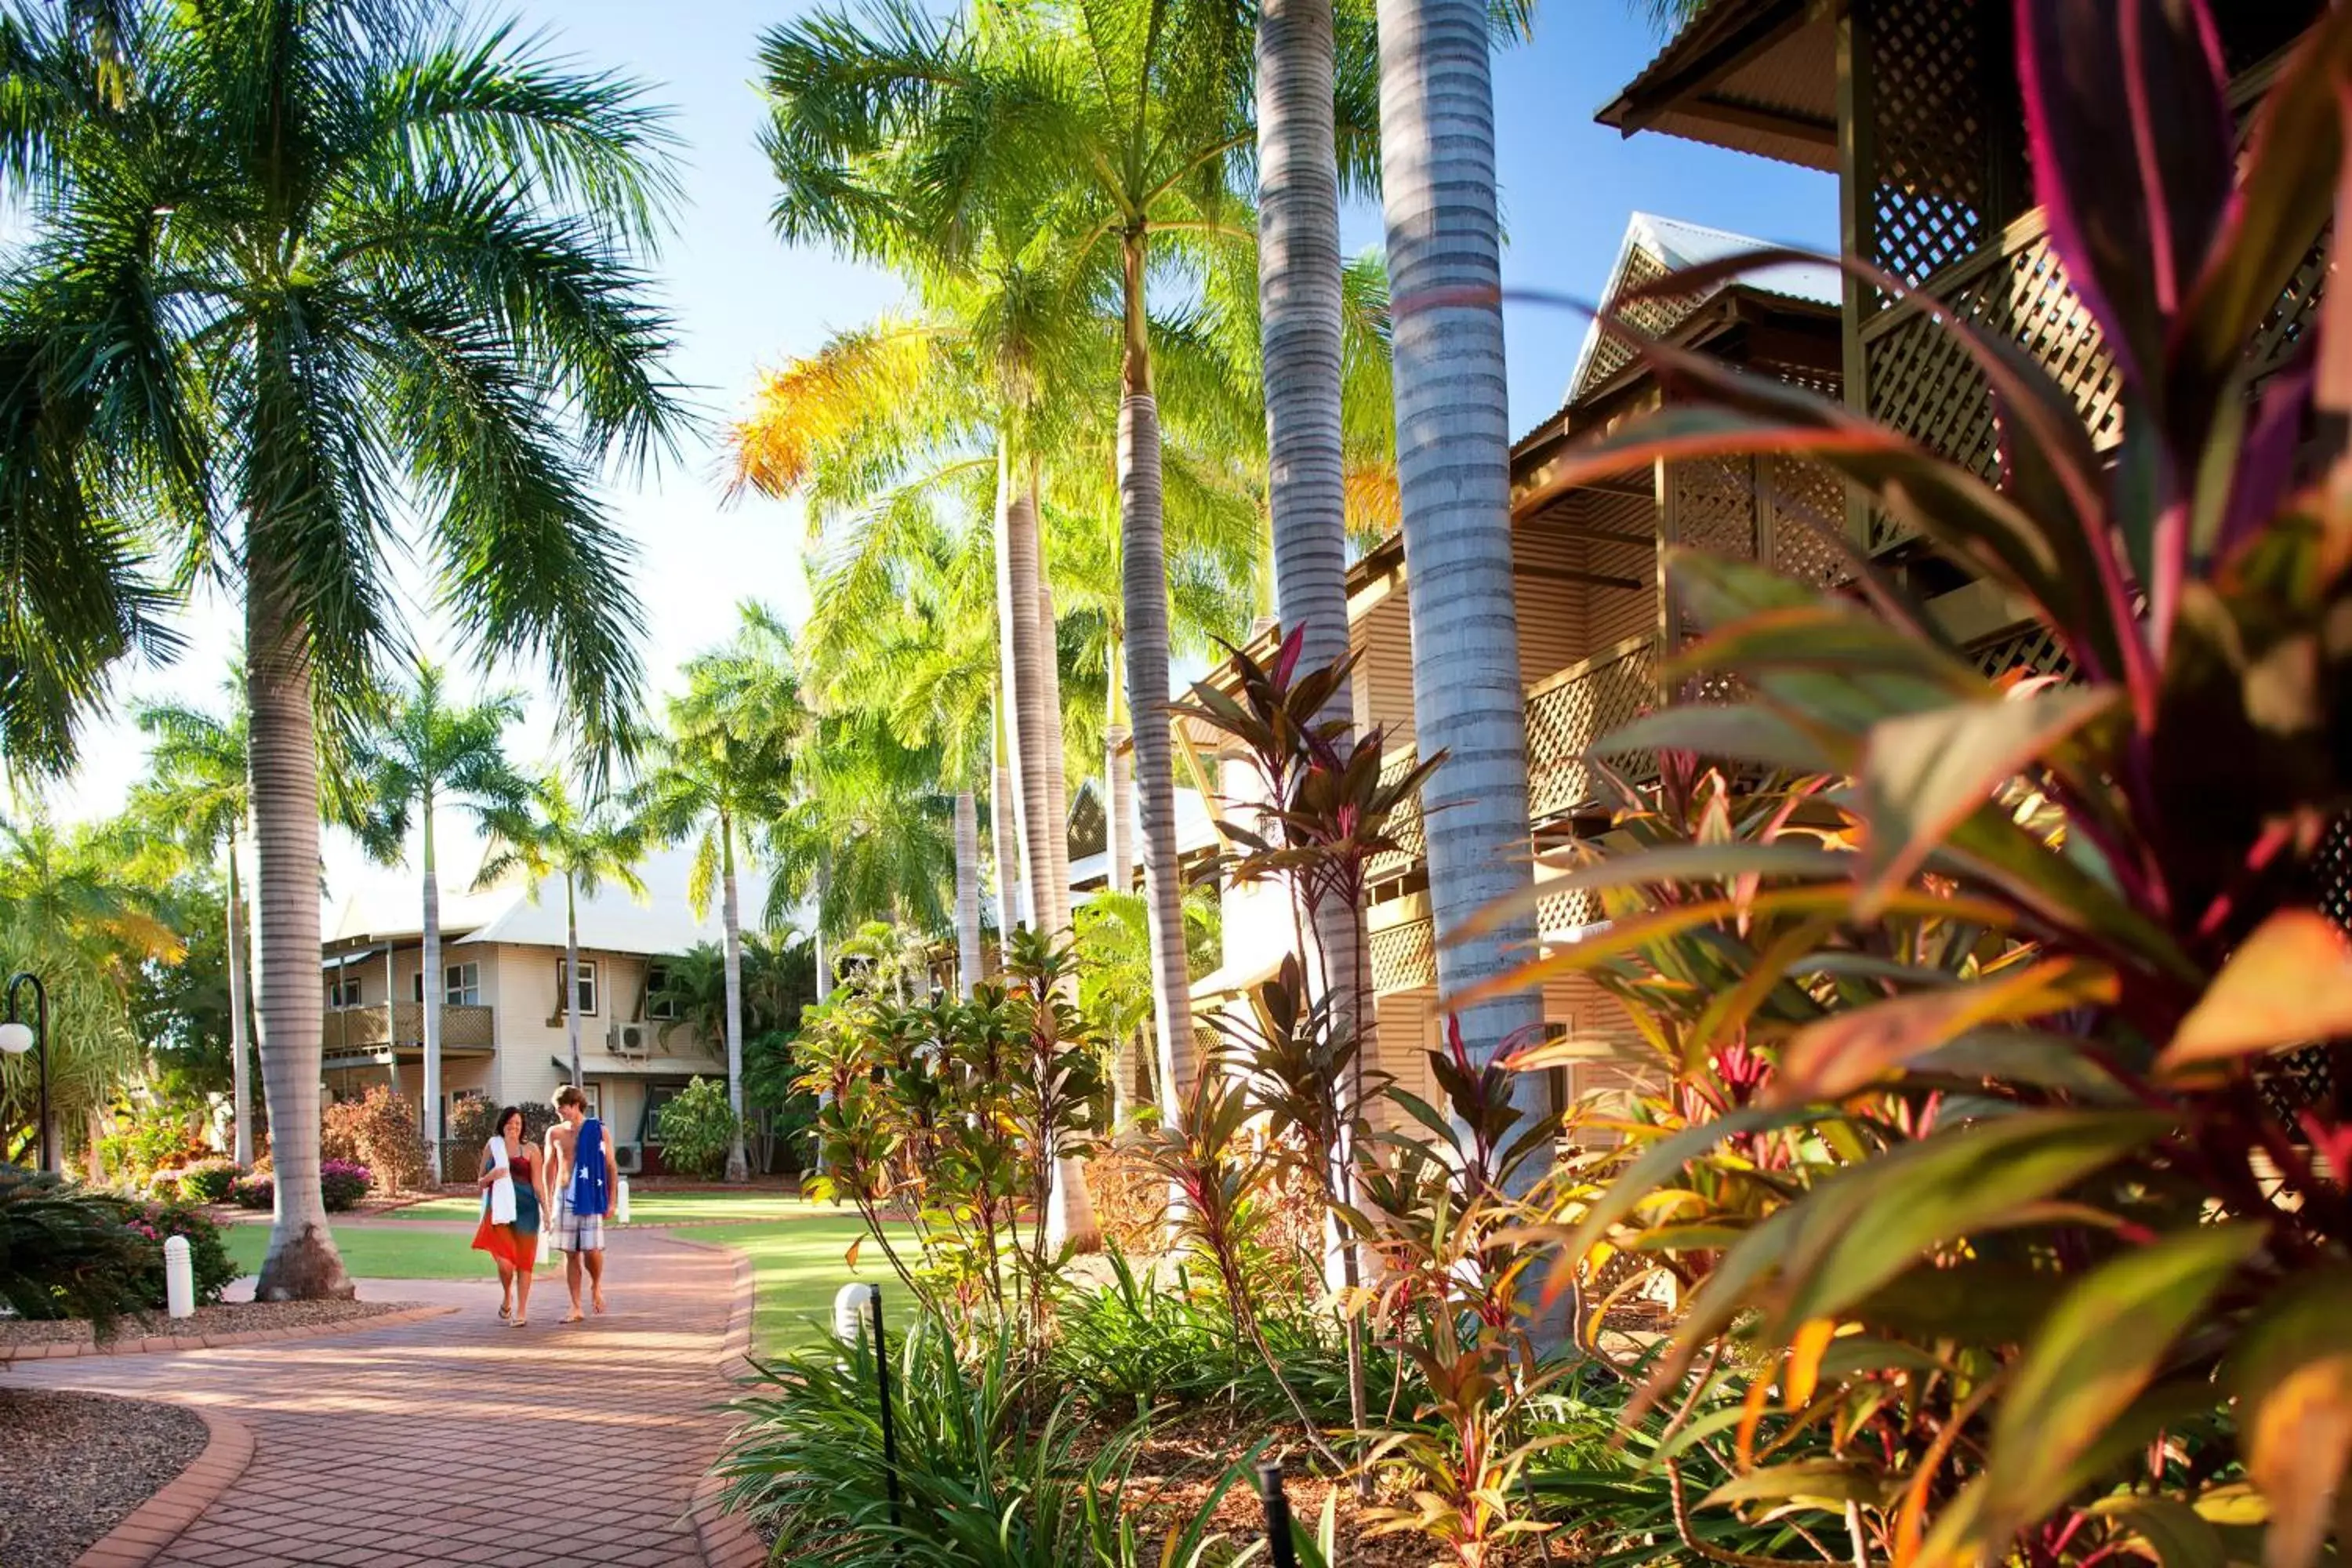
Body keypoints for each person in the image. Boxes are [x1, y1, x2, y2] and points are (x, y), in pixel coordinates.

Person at [543, 1084, 617, 1323]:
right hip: (563, 1195)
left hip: (590, 1194)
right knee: (570, 1252)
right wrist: (546, 1200)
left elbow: (610, 1166)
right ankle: (575, 1306)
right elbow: (549, 1167)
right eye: (556, 1110)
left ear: (575, 1105)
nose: (559, 1114)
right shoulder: (554, 1133)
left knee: (591, 1249)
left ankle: (596, 1285)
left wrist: (612, 1201)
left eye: (561, 1109)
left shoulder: (598, 1131)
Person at [470, 1105, 547, 1327]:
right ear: (502, 1124)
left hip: (527, 1211)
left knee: (524, 1262)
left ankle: (521, 1311)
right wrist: (492, 1175)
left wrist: (548, 1212)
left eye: (518, 1124)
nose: (514, 1127)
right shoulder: (493, 1146)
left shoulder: (531, 1149)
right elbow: (480, 1182)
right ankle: (507, 1296)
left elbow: (538, 1185)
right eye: (510, 1123)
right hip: (500, 1211)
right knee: (505, 1263)